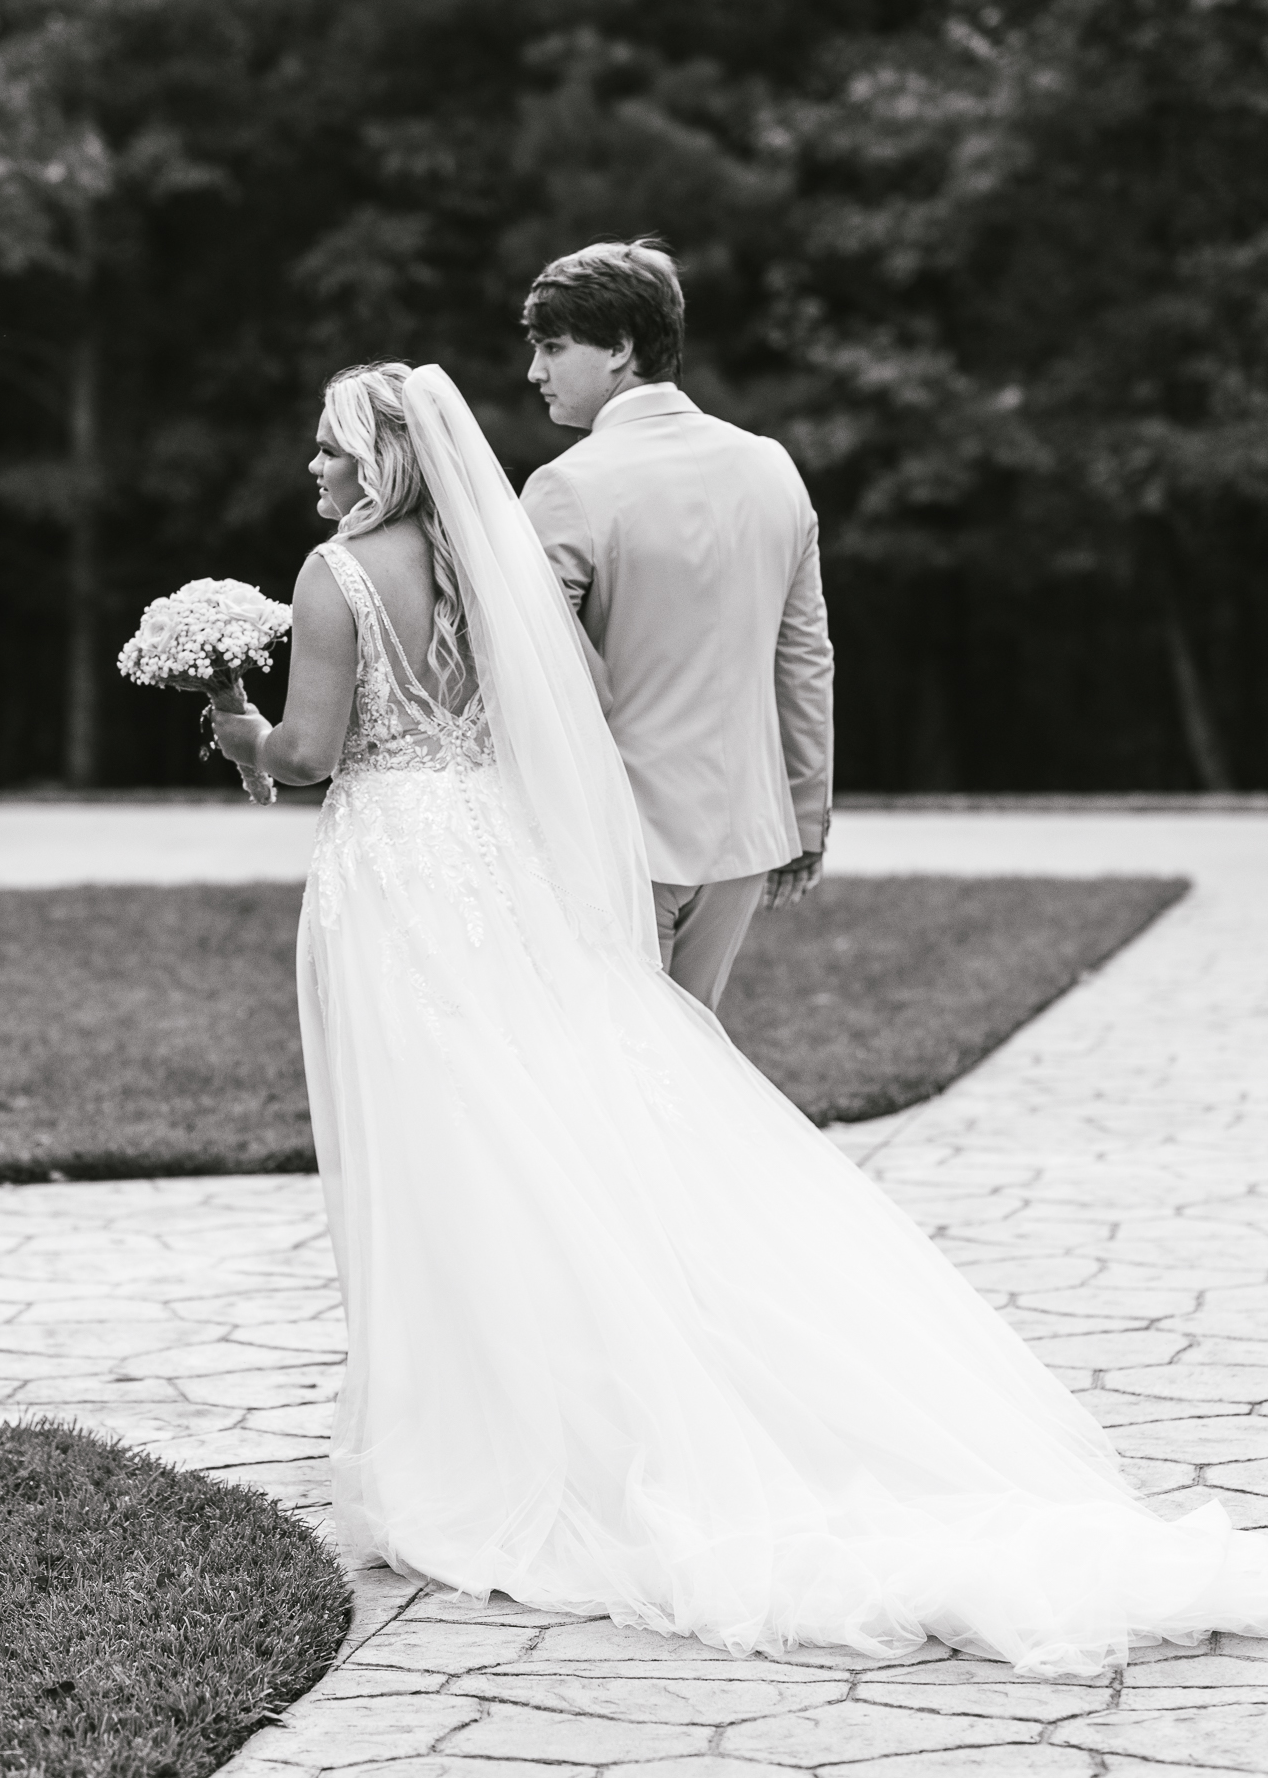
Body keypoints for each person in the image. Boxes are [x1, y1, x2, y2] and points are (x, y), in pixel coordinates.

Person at [206, 359, 1268, 1677]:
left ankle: (475, 1437)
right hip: (494, 858)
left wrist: (235, 723)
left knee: (437, 1144)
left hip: (400, 878)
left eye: (328, 447)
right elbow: (553, 712)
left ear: (380, 458)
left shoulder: (333, 574)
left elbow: (312, 754)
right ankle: (564, 1397)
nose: (313, 466)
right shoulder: (489, 562)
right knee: (541, 1117)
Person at [520, 239, 832, 1010]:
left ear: (620, 348)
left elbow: (532, 676)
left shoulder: (567, 486)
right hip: (745, 835)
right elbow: (804, 660)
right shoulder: (771, 465)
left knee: (622, 1061)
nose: (534, 372)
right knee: (694, 1055)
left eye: (553, 347)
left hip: (618, 840)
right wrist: (805, 817)